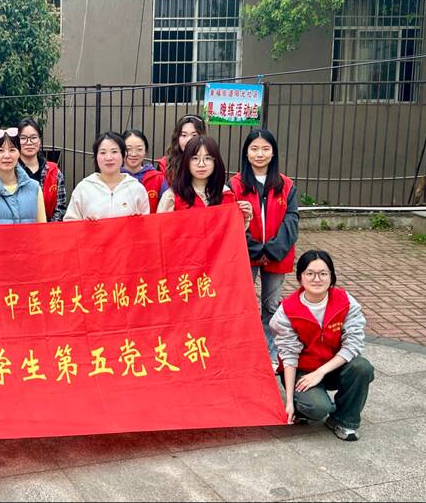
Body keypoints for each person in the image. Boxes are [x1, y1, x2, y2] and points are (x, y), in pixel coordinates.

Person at [270, 250, 374, 441]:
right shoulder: (287, 310)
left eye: (323, 273)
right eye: (310, 273)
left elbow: (353, 344)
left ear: (331, 276)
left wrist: (321, 372)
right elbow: (289, 356)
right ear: (300, 277)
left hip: (333, 366)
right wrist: (290, 402)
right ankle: (303, 407)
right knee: (318, 408)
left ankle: (343, 421)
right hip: (302, 371)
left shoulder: (345, 302)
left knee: (362, 367)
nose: (317, 279)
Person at [230, 129, 299, 366]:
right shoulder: (235, 184)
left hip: (276, 254)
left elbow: (291, 220)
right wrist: (254, 248)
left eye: (265, 149)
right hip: (246, 253)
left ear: (273, 153)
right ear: (246, 153)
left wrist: (272, 249)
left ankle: (269, 355)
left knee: (271, 305)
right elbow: (232, 220)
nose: (260, 154)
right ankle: (243, 353)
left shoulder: (286, 185)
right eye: (254, 149)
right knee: (242, 303)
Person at [157, 135, 252, 227]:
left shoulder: (225, 194)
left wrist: (244, 216)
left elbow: (232, 231)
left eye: (207, 158)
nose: (201, 164)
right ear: (186, 161)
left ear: (216, 161)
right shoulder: (172, 196)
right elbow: (161, 230)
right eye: (195, 158)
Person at [64, 131, 149, 221]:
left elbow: (147, 224)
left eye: (114, 152)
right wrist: (84, 224)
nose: (108, 158)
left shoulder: (136, 188)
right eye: (103, 152)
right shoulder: (83, 188)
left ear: (123, 155)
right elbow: (69, 223)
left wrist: (138, 221)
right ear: (96, 156)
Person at [18, 117, 67, 222]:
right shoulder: (11, 170)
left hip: (48, 228)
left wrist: (46, 229)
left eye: (33, 137)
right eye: (23, 138)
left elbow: (60, 209)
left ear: (40, 140)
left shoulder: (54, 172)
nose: (29, 142)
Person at [121, 129, 168, 214]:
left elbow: (167, 207)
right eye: (128, 149)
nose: (133, 154)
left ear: (146, 151)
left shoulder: (158, 179)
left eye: (139, 149)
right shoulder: (113, 177)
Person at [157, 114, 207, 185]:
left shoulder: (210, 163)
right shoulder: (165, 164)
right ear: (177, 137)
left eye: (194, 135)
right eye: (184, 135)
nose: (188, 140)